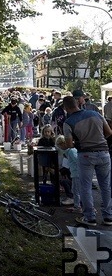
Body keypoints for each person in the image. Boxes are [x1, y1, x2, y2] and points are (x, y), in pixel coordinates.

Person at [63, 95, 112, 226]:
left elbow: (69, 144)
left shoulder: (68, 122)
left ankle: (90, 217)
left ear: (66, 108)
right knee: (105, 186)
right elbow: (109, 132)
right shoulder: (95, 114)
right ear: (77, 104)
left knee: (86, 187)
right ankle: (108, 216)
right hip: (104, 152)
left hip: (85, 154)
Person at [56, 135, 81, 211]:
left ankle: (78, 206)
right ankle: (77, 205)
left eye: (60, 146)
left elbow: (77, 161)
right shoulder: (70, 151)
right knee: (75, 189)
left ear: (63, 144)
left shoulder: (71, 152)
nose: (60, 148)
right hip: (75, 173)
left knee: (76, 190)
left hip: (76, 173)